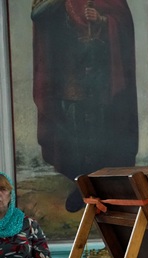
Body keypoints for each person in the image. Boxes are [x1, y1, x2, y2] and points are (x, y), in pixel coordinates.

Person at [31, 0, 139, 213]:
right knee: (74, 131)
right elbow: (38, 14)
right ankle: (82, 185)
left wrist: (102, 20)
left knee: (100, 131)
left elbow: (123, 21)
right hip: (69, 69)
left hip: (101, 72)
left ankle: (100, 187)